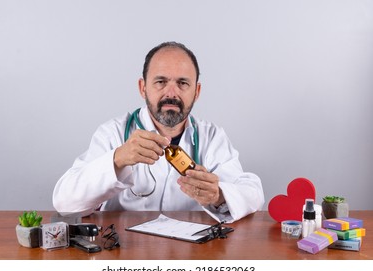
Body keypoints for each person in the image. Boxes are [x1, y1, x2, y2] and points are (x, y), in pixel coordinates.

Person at [53, 41, 264, 223]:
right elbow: (65, 203)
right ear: (142, 87)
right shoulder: (113, 133)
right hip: (125, 253)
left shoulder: (212, 137)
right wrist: (117, 160)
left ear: (196, 91)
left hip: (189, 256)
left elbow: (253, 193)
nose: (171, 93)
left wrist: (218, 195)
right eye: (161, 82)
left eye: (182, 83)